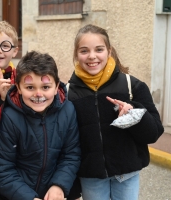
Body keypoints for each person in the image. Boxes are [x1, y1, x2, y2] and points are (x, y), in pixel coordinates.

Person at [67, 24, 164, 200]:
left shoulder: (132, 86)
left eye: (99, 49)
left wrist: (134, 115)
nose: (92, 56)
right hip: (91, 176)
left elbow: (154, 133)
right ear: (76, 54)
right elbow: (65, 140)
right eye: (84, 51)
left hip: (126, 174)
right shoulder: (67, 93)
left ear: (109, 51)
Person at [0, 51, 81, 200]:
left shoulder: (68, 112)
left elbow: (71, 155)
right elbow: (2, 168)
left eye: (45, 87)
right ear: (18, 87)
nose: (38, 94)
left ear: (56, 86)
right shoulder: (9, 117)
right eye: (30, 87)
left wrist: (59, 185)